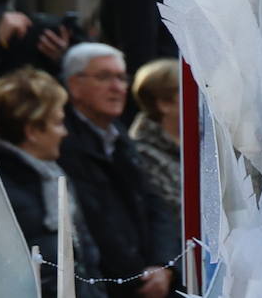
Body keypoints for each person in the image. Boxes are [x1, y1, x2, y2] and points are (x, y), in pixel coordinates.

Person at [56, 43, 178, 298]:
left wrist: (164, 266)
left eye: (122, 78)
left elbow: (156, 205)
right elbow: (96, 223)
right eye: (104, 77)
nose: (117, 87)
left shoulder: (120, 139)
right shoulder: (62, 143)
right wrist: (136, 278)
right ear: (74, 85)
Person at [0, 67, 105, 298]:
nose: (65, 133)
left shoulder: (53, 176)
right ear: (32, 130)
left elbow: (86, 260)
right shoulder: (3, 191)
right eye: (58, 123)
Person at [128, 58, 181, 224]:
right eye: (187, 93)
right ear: (164, 103)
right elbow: (175, 213)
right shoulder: (142, 155)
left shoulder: (200, 145)